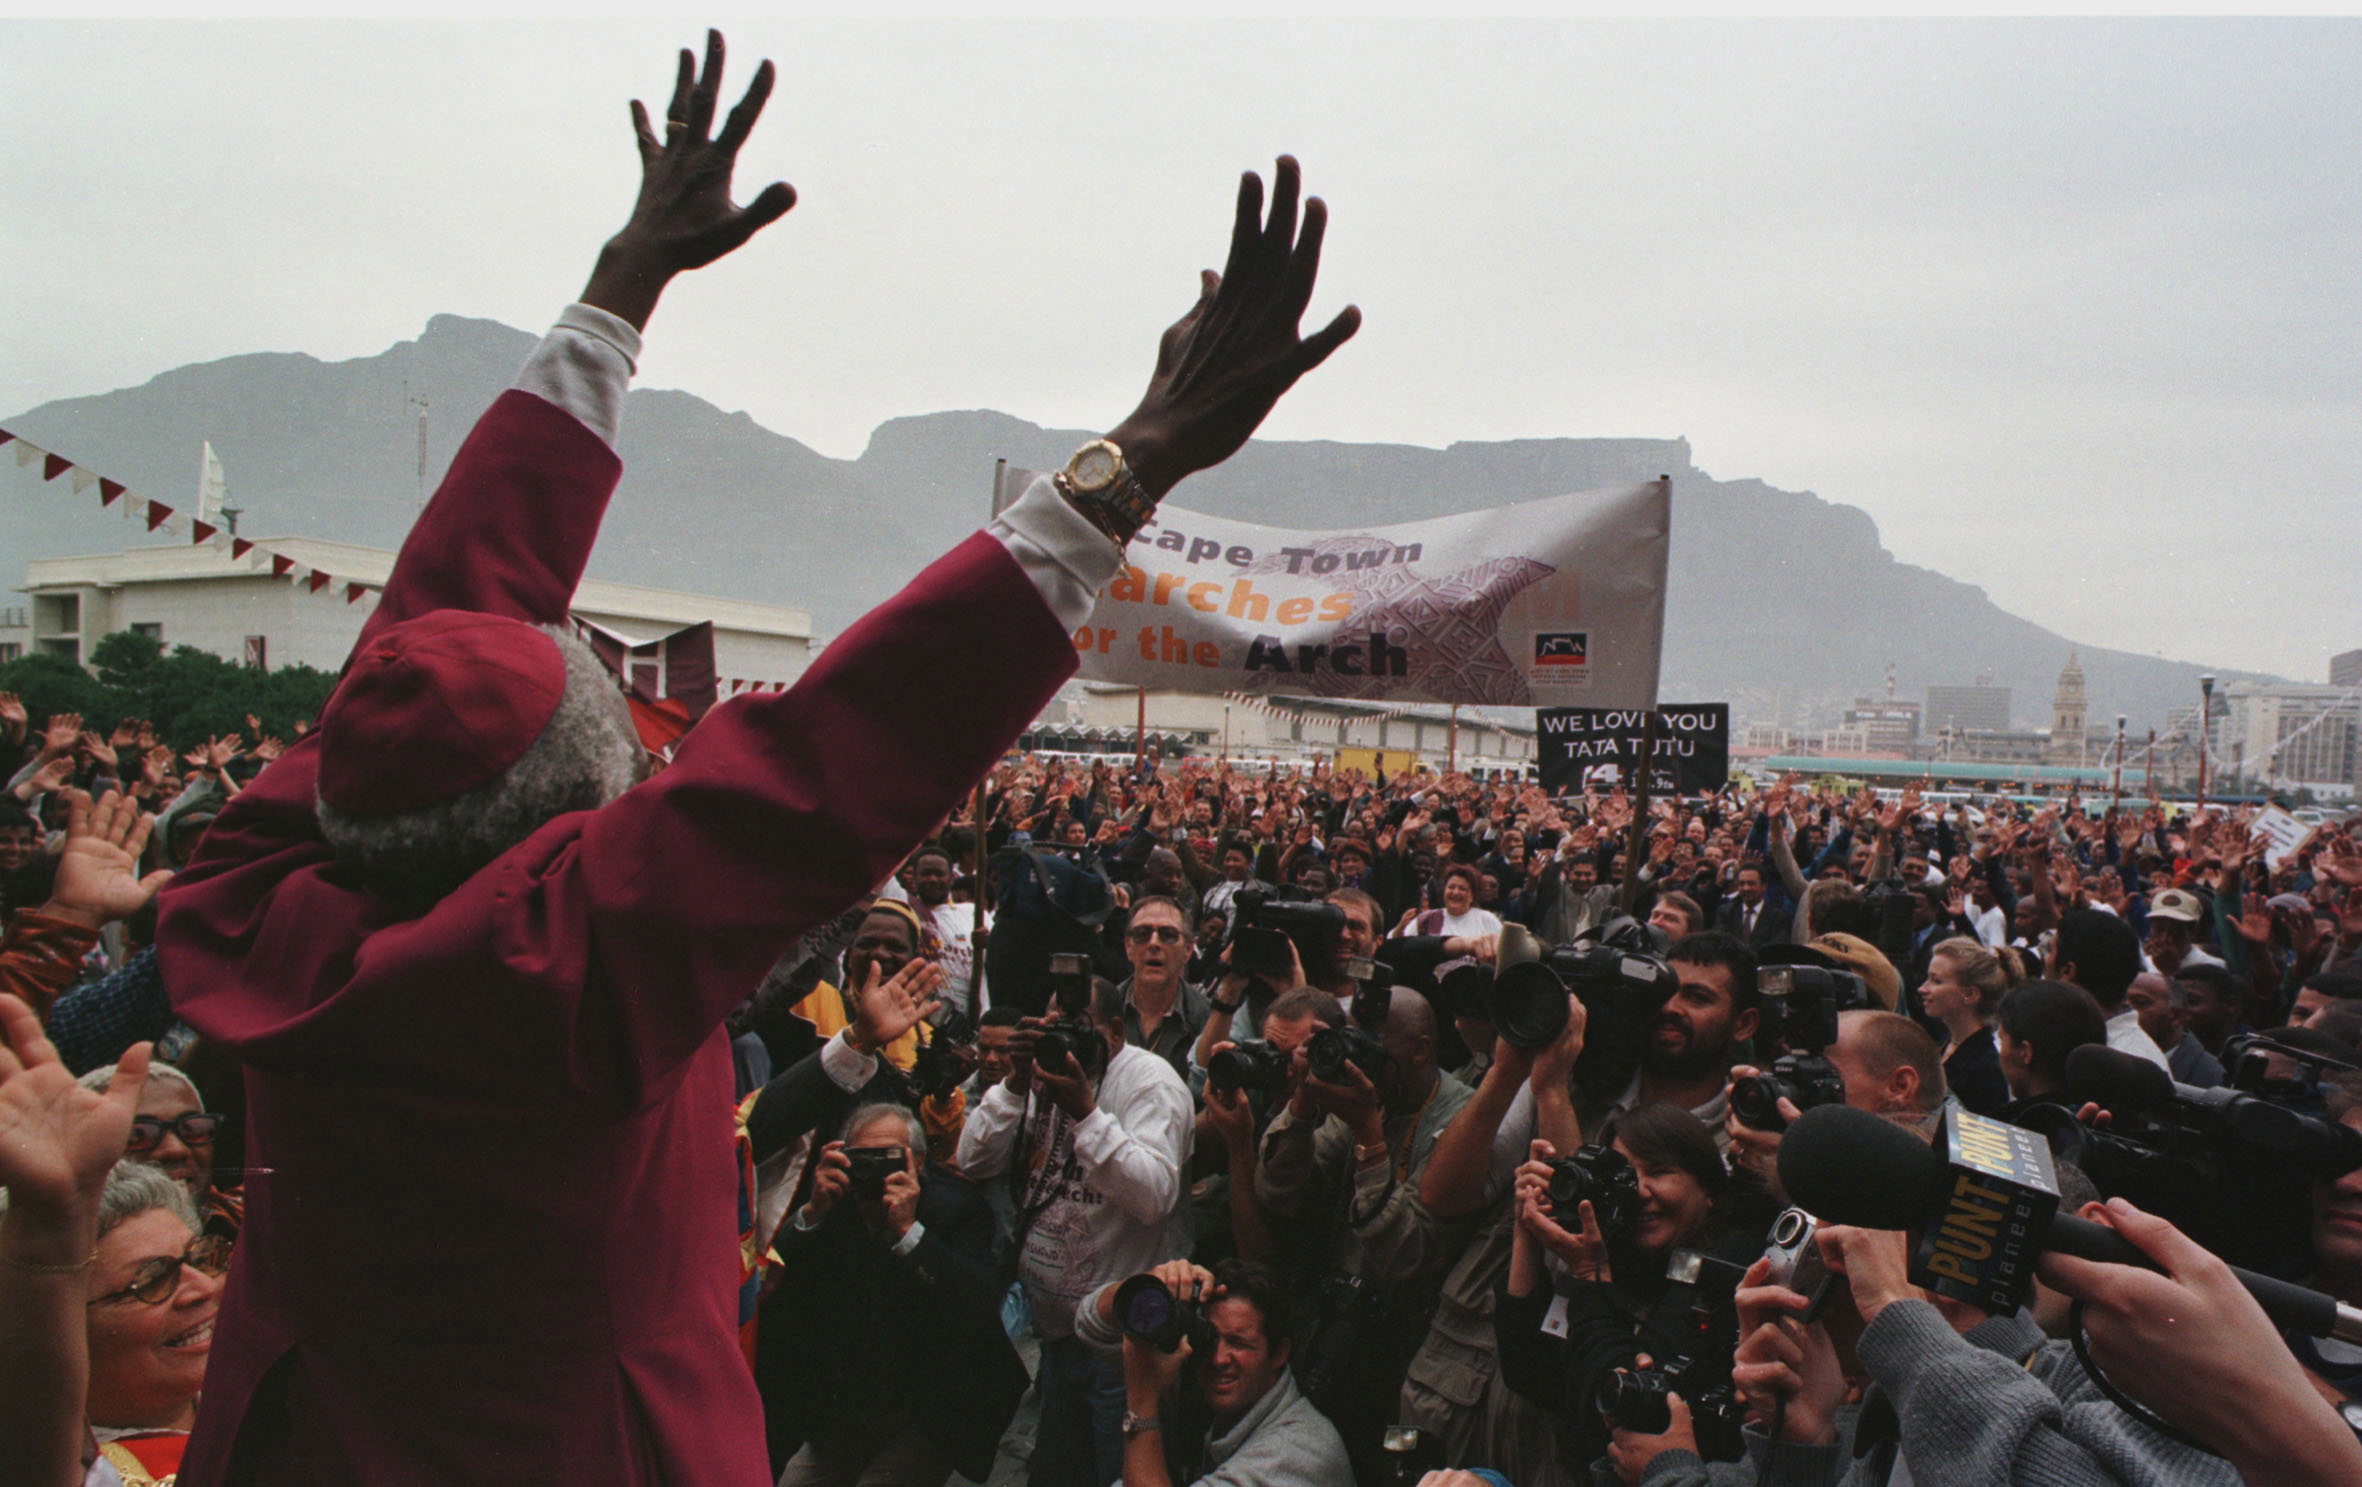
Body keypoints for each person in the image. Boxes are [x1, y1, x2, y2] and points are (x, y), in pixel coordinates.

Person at [149, 32, 1358, 1484]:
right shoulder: (552, 969)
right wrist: (1137, 456)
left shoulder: (251, 885)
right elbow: (831, 758)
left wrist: (618, 289)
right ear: (579, 829)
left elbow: (436, 609)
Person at [956, 974, 1195, 1486]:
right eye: (1053, 1026)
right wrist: (1017, 1081)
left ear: (1114, 1030)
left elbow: (1154, 1196)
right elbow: (971, 1160)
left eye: (1077, 1028)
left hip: (1122, 1348)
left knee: (1120, 1474)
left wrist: (1086, 1113)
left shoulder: (1149, 1083)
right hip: (1057, 1337)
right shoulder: (1038, 1073)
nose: (1064, 1039)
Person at [1253, 985, 1477, 1477]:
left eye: (1375, 1046)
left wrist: (1368, 1136)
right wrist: (1303, 1106)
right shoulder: (1363, 1099)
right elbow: (1277, 1193)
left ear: (1420, 1048)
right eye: (1352, 1040)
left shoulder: (1464, 1120)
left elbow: (1407, 1256)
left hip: (1405, 1348)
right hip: (1331, 1324)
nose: (1359, 1058)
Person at [1495, 1103, 1773, 1471]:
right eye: (1625, 1175)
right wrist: (1526, 1224)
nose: (1639, 1191)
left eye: (1659, 1172)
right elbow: (1529, 1371)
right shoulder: (1614, 1256)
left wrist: (1589, 1276)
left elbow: (1622, 1413)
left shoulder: (1735, 1266)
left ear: (1709, 1189)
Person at [759, 1103, 1023, 1487]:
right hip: (846, 1405)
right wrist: (811, 1214)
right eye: (862, 1158)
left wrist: (909, 1233)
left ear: (917, 1161)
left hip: (928, 1406)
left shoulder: (956, 1209)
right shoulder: (835, 1201)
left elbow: (977, 1305)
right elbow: (779, 1283)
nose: (874, 1172)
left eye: (887, 1158)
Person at [1075, 1259, 1353, 1487]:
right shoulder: (1204, 1384)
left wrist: (1142, 1398)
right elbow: (1090, 1325)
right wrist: (1149, 1286)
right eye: (1210, 1340)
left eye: (1239, 1343)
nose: (1218, 1359)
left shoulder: (1295, 1455)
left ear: (1278, 1354)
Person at [2049, 908, 2169, 1072]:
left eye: (2050, 952)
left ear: (2067, 972)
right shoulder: (2080, 1040)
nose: (2046, 960)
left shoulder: (2121, 1063)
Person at [1915, 935, 2014, 1115]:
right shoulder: (1947, 1041)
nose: (1922, 989)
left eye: (1936, 981)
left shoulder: (1986, 1070)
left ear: (1969, 994)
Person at [1990, 979, 2109, 1128]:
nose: (2000, 1053)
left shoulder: (2013, 1132)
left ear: (2025, 1052)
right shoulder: (2110, 1123)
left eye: (2002, 1041)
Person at [1121, 895, 1212, 1084]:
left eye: (1168, 935)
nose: (1154, 943)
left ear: (1188, 950)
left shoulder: (1207, 1019)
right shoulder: (1102, 1010)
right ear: (1128, 947)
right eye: (1142, 934)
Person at [2125, 972, 2226, 1089]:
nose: (2126, 1012)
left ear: (2176, 1016)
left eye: (2140, 1002)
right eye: (2122, 1003)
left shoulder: (2210, 1076)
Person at [1713, 864, 1788, 950]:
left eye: (1751, 883)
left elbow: (1776, 948)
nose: (1746, 888)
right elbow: (1719, 943)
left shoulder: (1778, 918)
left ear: (1764, 886)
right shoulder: (1726, 913)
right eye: (1742, 884)